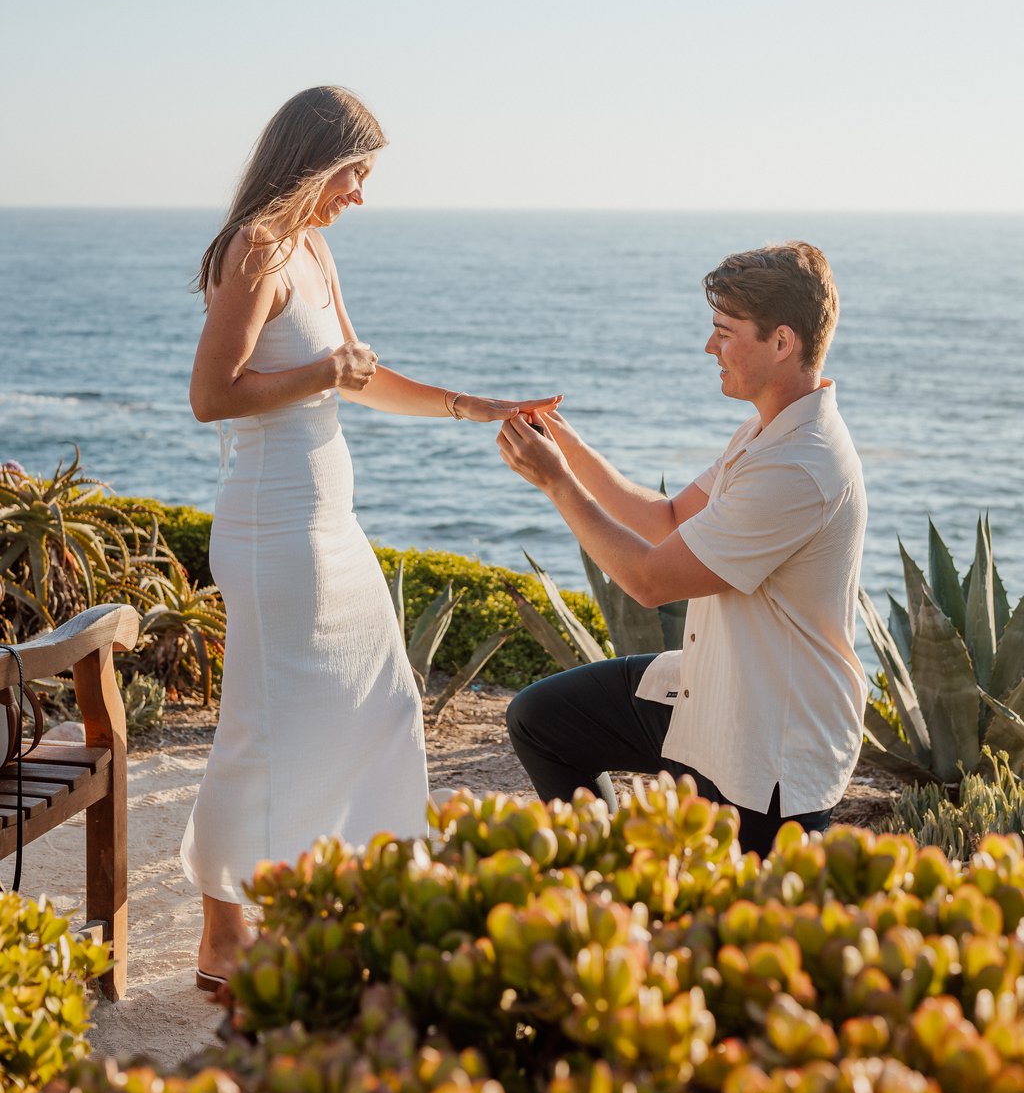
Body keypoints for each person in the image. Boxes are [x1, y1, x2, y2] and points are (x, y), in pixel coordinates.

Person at [182, 84, 559, 989]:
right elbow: (211, 396)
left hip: (329, 529)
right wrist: (320, 370)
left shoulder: (312, 250)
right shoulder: (256, 250)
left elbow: (362, 375)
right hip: (273, 530)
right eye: (357, 172)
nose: (361, 193)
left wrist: (479, 406)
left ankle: (354, 897)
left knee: (384, 710)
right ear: (315, 161)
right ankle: (221, 936)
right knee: (262, 731)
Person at [497, 242, 867, 859]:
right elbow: (666, 518)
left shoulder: (799, 465)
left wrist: (555, 481)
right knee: (543, 719)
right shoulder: (769, 428)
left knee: (742, 940)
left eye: (725, 333)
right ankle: (610, 882)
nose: (708, 347)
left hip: (771, 749)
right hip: (712, 691)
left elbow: (648, 580)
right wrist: (568, 447)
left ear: (782, 342)